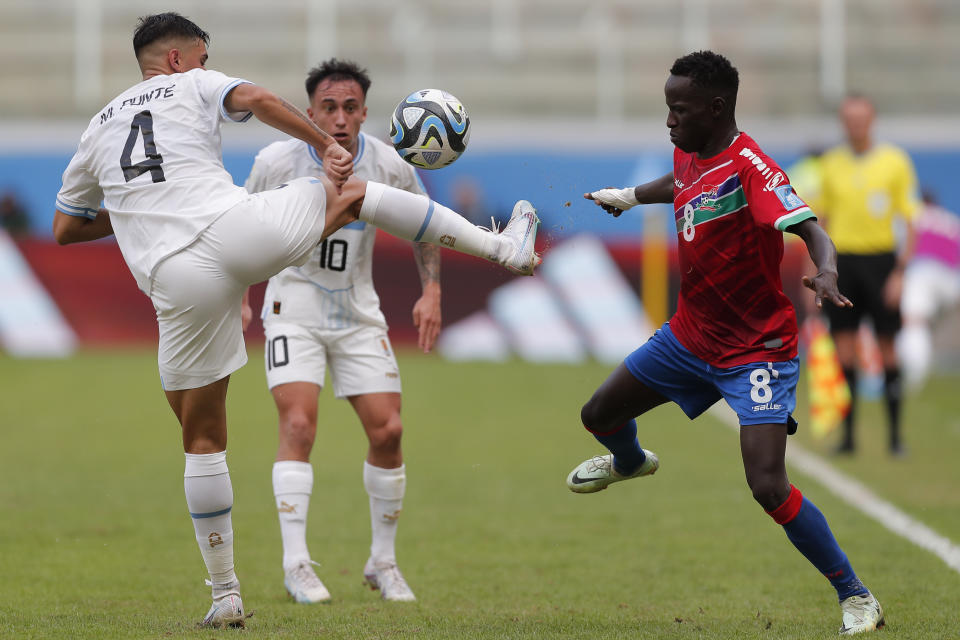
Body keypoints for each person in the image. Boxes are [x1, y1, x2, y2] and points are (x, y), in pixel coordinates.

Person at [52, 12, 540, 628]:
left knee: (201, 440)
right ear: (177, 60)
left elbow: (65, 228)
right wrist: (326, 145)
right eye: (203, 57)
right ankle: (504, 248)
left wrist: (131, 207)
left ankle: (225, 594)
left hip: (173, 280)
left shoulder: (96, 130)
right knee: (353, 193)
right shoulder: (192, 85)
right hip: (235, 231)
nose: (206, 67)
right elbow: (254, 98)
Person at [569, 51, 884, 636]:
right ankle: (632, 463)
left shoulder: (753, 167)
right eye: (667, 108)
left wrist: (829, 271)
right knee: (597, 414)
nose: (669, 120)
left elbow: (811, 228)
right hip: (690, 336)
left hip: (756, 348)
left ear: (716, 109)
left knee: (767, 484)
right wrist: (631, 196)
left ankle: (856, 595)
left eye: (678, 110)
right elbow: (682, 182)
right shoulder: (690, 147)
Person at [240, 58, 439, 604]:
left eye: (350, 107)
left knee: (389, 432)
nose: (340, 117)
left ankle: (383, 561)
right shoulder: (275, 160)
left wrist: (432, 290)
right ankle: (296, 563)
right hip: (293, 305)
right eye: (329, 107)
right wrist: (240, 297)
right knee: (299, 425)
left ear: (365, 113)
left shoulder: (388, 162)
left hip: (357, 310)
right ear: (310, 113)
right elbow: (240, 228)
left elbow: (425, 223)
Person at [813, 95, 920, 456]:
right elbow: (819, 223)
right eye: (849, 118)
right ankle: (849, 437)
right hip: (841, 265)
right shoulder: (830, 163)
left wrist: (900, 273)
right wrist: (816, 271)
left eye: (861, 118)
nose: (855, 124)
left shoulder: (894, 162)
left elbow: (909, 220)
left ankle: (895, 436)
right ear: (843, 122)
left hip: (881, 263)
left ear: (872, 120)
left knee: (888, 347)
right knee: (844, 349)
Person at [897, 191, 960, 388]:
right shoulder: (951, 221)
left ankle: (914, 377)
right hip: (951, 279)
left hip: (922, 272)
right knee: (927, 323)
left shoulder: (911, 217)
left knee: (914, 322)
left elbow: (900, 248)